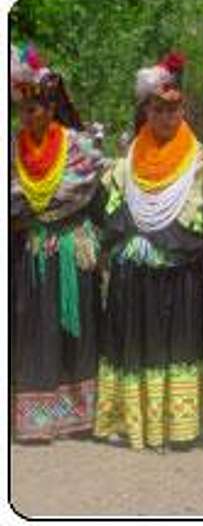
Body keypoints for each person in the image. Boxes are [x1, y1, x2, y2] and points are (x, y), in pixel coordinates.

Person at [93, 51, 203, 451]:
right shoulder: (126, 162)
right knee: (133, 342)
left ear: (184, 110)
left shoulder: (200, 160)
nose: (166, 117)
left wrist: (163, 242)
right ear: (145, 111)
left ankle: (175, 428)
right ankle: (130, 421)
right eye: (158, 109)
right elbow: (115, 209)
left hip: (175, 272)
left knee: (172, 344)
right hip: (134, 272)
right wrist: (131, 239)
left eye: (174, 109)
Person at [10, 43, 106, 441]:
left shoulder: (77, 146)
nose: (28, 116)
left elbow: (88, 187)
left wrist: (42, 205)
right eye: (23, 109)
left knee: (76, 325)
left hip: (73, 246)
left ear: (51, 109)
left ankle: (79, 417)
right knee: (38, 327)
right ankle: (38, 420)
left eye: (36, 109)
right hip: (36, 250)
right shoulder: (12, 149)